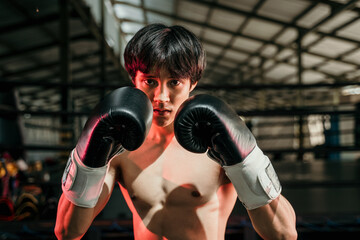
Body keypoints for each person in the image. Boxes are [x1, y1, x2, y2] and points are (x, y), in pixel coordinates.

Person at [55, 23, 297, 240]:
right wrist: (88, 155)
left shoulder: (215, 142)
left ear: (193, 83)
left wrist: (246, 160)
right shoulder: (122, 146)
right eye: (150, 81)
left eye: (174, 82)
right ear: (134, 80)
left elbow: (284, 234)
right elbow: (67, 232)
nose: (161, 97)